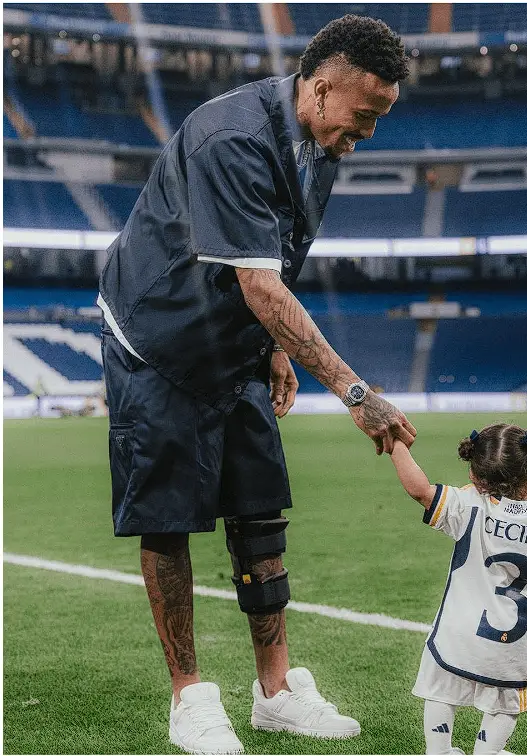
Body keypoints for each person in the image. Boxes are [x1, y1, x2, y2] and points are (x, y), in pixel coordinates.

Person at [97, 14, 416, 756]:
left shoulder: (323, 143)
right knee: (170, 519)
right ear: (321, 85)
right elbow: (257, 280)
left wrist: (275, 345)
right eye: (364, 115)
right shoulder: (232, 136)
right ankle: (191, 700)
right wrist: (357, 394)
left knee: (259, 511)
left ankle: (275, 693)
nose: (367, 133)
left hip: (234, 336)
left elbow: (279, 261)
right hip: (159, 337)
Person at [389, 423, 527, 756]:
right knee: (504, 705)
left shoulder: (470, 506)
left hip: (456, 637)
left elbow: (420, 490)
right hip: (510, 647)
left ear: (475, 476)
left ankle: (439, 750)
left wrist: (395, 446)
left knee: (441, 691)